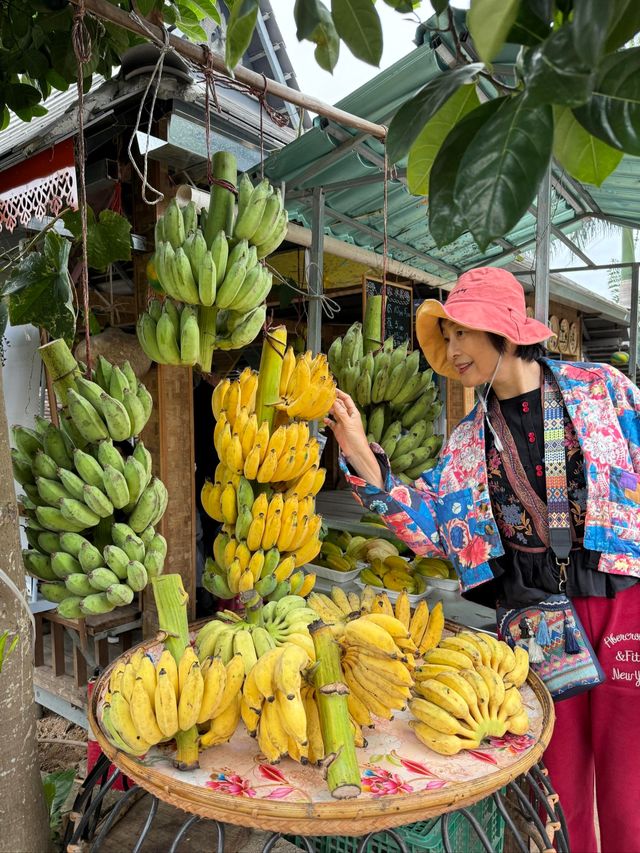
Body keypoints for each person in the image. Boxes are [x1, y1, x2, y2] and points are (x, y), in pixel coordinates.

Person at [326, 267, 640, 853]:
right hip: (538, 623)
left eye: (461, 334)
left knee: (631, 786)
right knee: (559, 788)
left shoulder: (601, 389)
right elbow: (434, 532)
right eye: (446, 338)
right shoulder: (469, 442)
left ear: (504, 334)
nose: (452, 350)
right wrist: (359, 453)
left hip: (624, 604)